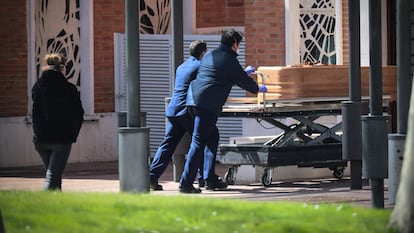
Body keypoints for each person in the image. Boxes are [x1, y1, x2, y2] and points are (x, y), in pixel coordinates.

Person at [179, 29, 260, 193]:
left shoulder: (210, 55)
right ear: (235, 44)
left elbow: (217, 74)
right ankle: (186, 183)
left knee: (212, 137)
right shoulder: (229, 59)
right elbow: (245, 82)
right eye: (239, 45)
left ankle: (210, 179)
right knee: (198, 142)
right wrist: (258, 88)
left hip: (193, 100)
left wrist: (241, 74)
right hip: (206, 105)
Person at [149, 40, 211, 191]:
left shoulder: (182, 66)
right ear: (203, 53)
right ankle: (203, 178)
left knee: (167, 145)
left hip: (173, 110)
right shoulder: (200, 66)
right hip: (186, 111)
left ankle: (151, 176)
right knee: (200, 141)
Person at [31, 53, 84, 190]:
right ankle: (41, 206)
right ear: (62, 68)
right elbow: (78, 114)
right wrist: (72, 134)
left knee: (55, 175)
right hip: (62, 139)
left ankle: (56, 204)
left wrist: (37, 134)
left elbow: (36, 114)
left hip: (41, 139)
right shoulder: (69, 89)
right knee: (52, 176)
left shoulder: (37, 88)